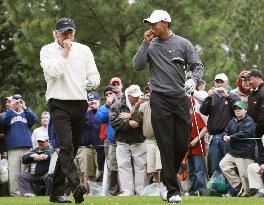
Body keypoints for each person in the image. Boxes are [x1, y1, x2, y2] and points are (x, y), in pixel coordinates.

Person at [132, 10, 204, 203]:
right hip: (159, 99)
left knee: (181, 144)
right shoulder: (150, 44)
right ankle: (173, 191)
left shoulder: (183, 43)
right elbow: (137, 65)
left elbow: (197, 65)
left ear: (166, 23)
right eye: (150, 23)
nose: (151, 27)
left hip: (180, 98)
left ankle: (165, 178)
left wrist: (193, 80)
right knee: (165, 144)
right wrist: (145, 43)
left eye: (155, 23)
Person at [40, 17, 100, 204]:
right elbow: (54, 72)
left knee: (70, 150)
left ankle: (55, 193)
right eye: (64, 32)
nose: (68, 35)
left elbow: (94, 74)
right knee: (65, 145)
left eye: (70, 32)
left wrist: (91, 82)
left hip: (79, 103)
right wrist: (65, 51)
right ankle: (76, 185)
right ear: (55, 33)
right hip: (58, 102)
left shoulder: (84, 50)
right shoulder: (47, 50)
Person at [200, 73, 240, 178]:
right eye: (217, 82)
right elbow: (203, 111)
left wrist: (228, 97)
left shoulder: (233, 95)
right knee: (214, 165)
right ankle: (216, 189)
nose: (219, 84)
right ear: (214, 83)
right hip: (214, 135)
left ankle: (230, 190)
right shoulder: (211, 97)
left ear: (226, 83)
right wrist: (208, 98)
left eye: (222, 81)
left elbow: (238, 110)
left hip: (227, 136)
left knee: (229, 165)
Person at [109, 85, 147, 196]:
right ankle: (127, 191)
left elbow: (147, 119)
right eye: (134, 96)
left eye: (138, 95)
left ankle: (141, 190)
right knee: (123, 166)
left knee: (141, 166)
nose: (137, 98)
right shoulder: (117, 105)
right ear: (128, 96)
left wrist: (129, 116)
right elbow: (114, 122)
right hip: (122, 140)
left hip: (139, 140)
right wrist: (128, 122)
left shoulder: (144, 104)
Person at [1, 94, 37, 196]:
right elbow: (4, 121)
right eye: (15, 101)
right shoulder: (7, 114)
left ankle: (25, 192)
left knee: (25, 172)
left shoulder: (26, 113)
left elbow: (34, 119)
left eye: (19, 101)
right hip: (13, 148)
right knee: (14, 172)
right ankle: (15, 194)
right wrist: (11, 108)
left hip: (26, 146)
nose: (17, 103)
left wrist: (24, 107)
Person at [219, 101, 256, 197]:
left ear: (245, 110)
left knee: (245, 176)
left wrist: (230, 137)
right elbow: (226, 131)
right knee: (223, 164)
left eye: (240, 108)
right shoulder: (232, 120)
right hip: (233, 151)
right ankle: (239, 186)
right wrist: (224, 136)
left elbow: (245, 133)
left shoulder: (249, 121)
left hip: (245, 152)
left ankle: (247, 194)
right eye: (235, 109)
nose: (237, 110)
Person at [96, 85, 120, 196]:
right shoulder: (105, 107)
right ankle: (113, 193)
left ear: (116, 93)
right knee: (112, 168)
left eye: (111, 93)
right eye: (106, 95)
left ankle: (128, 190)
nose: (109, 96)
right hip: (112, 142)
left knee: (126, 168)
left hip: (126, 141)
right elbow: (100, 118)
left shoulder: (123, 102)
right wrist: (107, 105)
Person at [246, 69, 264, 197]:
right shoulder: (253, 94)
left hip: (261, 133)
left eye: (250, 79)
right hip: (257, 135)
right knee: (259, 162)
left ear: (257, 78)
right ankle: (259, 190)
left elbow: (263, 117)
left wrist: (255, 130)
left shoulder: (263, 92)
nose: (248, 82)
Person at [187, 97, 208, 196]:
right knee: (191, 170)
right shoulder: (184, 117)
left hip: (196, 147)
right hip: (188, 148)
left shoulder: (195, 115)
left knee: (198, 169)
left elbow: (204, 128)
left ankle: (201, 189)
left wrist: (195, 140)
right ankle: (193, 189)